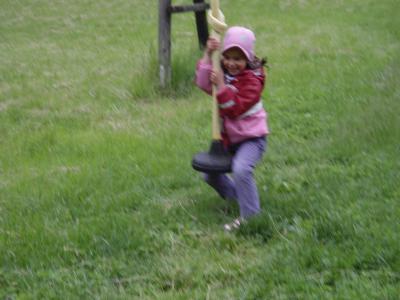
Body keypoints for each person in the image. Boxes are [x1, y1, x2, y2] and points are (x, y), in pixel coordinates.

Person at [195, 26, 270, 231]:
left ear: (248, 58)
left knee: (241, 169)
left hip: (252, 139)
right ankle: (237, 196)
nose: (231, 63)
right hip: (230, 139)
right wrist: (209, 54)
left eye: (238, 59)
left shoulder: (253, 81)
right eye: (227, 57)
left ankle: (251, 216)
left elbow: (234, 109)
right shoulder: (224, 73)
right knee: (210, 173)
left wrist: (220, 86)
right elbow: (202, 83)